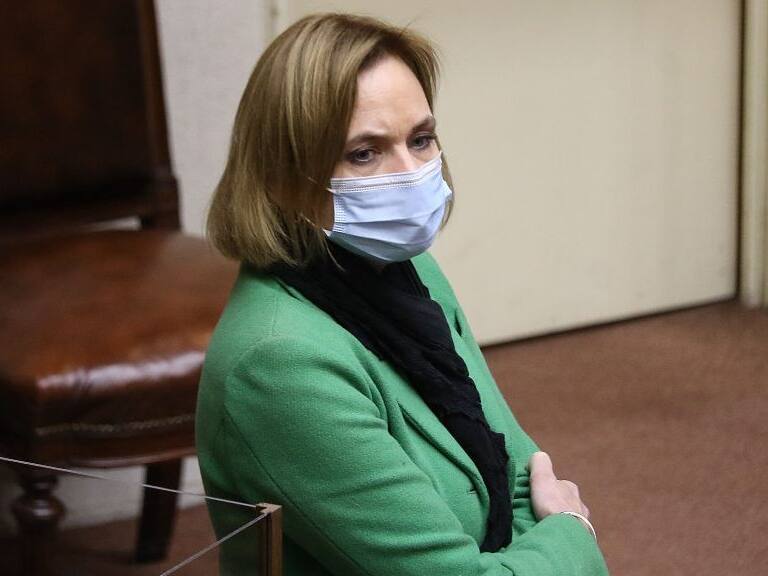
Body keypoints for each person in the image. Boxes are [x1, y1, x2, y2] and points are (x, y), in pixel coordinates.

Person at [196, 12, 609, 576]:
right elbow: (538, 516)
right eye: (364, 153)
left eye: (421, 139)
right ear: (284, 176)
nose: (412, 173)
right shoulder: (279, 367)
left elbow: (519, 465)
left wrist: (534, 549)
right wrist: (571, 536)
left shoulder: (402, 267)